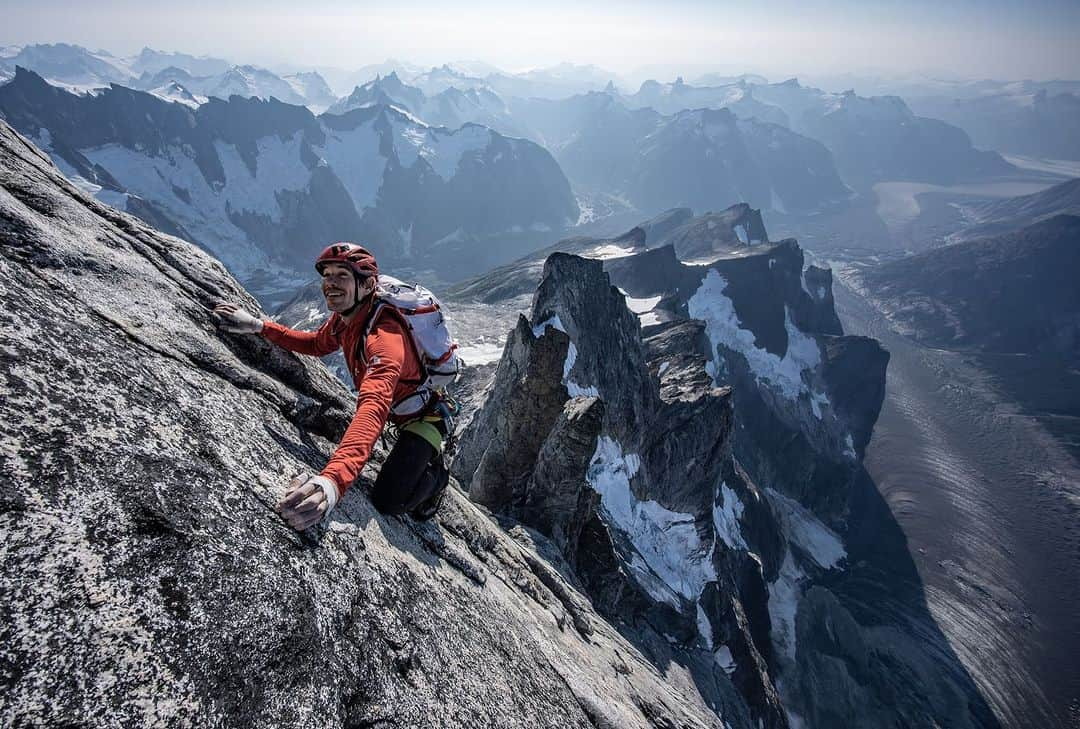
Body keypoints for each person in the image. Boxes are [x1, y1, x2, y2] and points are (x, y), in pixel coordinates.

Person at [212, 242, 451, 531]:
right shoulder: (347, 318)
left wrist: (332, 481)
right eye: (327, 275)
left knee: (388, 500)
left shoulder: (385, 336)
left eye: (342, 276)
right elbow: (316, 343)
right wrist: (259, 326)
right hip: (400, 411)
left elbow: (374, 406)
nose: (330, 284)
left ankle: (437, 478)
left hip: (424, 419)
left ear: (368, 285)